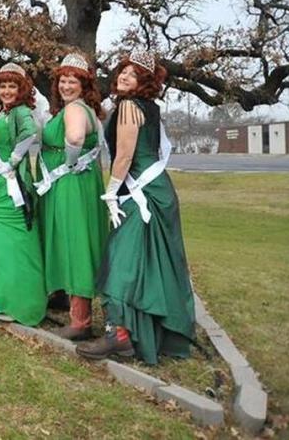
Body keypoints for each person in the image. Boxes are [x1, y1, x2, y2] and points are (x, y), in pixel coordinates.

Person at [77, 51, 195, 363]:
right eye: (123, 72)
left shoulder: (129, 106)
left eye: (134, 74)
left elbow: (125, 155)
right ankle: (138, 334)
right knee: (148, 263)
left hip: (143, 194)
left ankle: (119, 335)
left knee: (121, 259)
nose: (124, 77)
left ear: (144, 82)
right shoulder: (149, 108)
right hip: (158, 191)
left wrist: (111, 193)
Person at [36, 53, 109, 340]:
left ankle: (81, 321)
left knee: (74, 242)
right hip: (74, 183)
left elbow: (75, 138)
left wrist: (68, 162)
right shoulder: (79, 108)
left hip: (70, 184)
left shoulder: (76, 109)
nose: (66, 86)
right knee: (70, 240)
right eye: (63, 81)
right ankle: (67, 301)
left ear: (84, 85)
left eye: (73, 81)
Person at [0, 63, 46, 326]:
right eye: (2, 86)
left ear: (22, 89)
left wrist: (13, 161)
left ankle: (19, 300)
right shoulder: (3, 112)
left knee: (15, 242)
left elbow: (30, 133)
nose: (6, 90)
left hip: (9, 184)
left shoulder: (21, 111)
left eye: (12, 86)